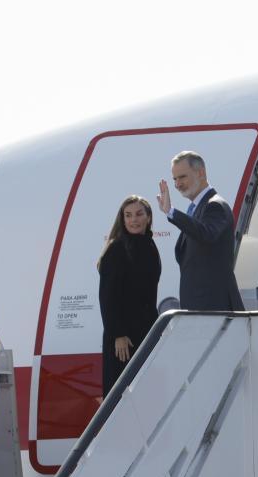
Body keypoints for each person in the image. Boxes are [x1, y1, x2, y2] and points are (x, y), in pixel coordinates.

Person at [156, 151, 243, 311]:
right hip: (201, 308)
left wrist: (171, 212)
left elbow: (206, 234)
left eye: (182, 177)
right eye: (174, 179)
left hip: (214, 308)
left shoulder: (214, 205)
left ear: (201, 173)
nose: (177, 184)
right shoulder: (197, 208)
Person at [98, 195, 161, 397]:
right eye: (128, 215)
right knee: (121, 398)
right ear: (122, 219)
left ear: (148, 217)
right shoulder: (116, 249)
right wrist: (118, 334)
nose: (133, 220)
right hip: (122, 340)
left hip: (145, 333)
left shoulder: (150, 246)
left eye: (139, 214)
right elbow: (107, 297)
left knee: (144, 394)